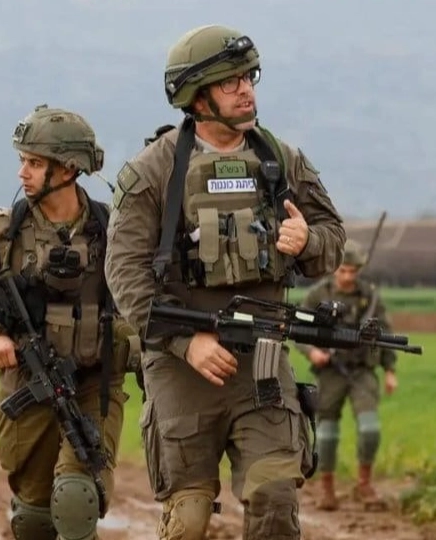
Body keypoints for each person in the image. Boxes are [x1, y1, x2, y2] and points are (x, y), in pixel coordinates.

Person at [105, 24, 347, 540]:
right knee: (189, 519)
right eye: (230, 82)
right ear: (197, 97)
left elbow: (333, 237)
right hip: (181, 369)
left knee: (275, 499)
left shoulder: (281, 160)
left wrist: (308, 240)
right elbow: (123, 272)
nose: (246, 91)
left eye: (248, 78)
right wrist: (185, 342)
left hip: (261, 364)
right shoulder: (152, 171)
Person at [0, 104, 138, 540]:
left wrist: (130, 346)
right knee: (34, 520)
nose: (22, 172)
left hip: (93, 385)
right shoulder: (4, 231)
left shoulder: (111, 228)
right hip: (27, 382)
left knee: (77, 500)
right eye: (23, 161)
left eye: (35, 163)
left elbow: (138, 302)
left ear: (68, 168)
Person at [295, 238, 398, 512]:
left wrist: (390, 370)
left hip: (362, 370)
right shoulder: (318, 295)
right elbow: (299, 330)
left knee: (370, 429)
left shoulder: (370, 297)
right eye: (343, 271)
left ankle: (364, 484)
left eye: (353, 271)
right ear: (334, 269)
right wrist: (312, 352)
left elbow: (385, 334)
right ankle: (327, 489)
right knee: (326, 435)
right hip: (330, 372)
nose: (348, 277)